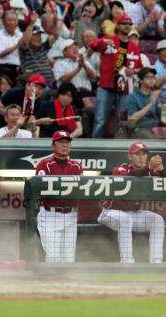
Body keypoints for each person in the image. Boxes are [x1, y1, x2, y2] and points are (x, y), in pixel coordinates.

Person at [98, 142, 165, 263]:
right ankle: (127, 261)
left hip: (133, 214)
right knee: (125, 219)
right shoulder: (120, 168)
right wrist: (149, 166)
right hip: (111, 213)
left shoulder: (149, 171)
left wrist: (162, 170)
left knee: (158, 220)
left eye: (144, 154)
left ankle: (156, 261)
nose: (141, 157)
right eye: (137, 154)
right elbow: (132, 176)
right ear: (130, 156)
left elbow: (162, 178)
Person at [88, 14, 142, 138]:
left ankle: (119, 148)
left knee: (121, 121)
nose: (128, 26)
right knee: (100, 119)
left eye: (130, 24)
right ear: (117, 25)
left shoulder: (134, 47)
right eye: (124, 23)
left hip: (124, 90)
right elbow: (91, 45)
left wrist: (133, 71)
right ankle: (95, 147)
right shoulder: (109, 40)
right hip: (106, 86)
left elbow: (140, 68)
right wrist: (102, 40)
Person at [36, 130, 84, 263]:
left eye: (68, 142)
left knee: (69, 259)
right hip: (50, 214)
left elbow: (82, 190)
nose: (65, 145)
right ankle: (51, 283)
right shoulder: (44, 165)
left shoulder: (77, 166)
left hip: (71, 215)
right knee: (53, 257)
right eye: (61, 142)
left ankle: (67, 284)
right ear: (53, 146)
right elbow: (38, 189)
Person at [126, 67, 162, 139]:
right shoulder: (132, 97)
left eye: (153, 77)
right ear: (140, 80)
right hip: (140, 128)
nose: (151, 79)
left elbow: (161, 115)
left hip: (155, 127)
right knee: (151, 138)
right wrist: (151, 104)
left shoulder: (154, 95)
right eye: (148, 77)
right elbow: (132, 119)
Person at [0, 10, 23, 81]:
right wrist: (17, 45)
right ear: (3, 22)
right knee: (6, 72)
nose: (12, 23)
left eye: (14, 20)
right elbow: (0, 54)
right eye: (9, 20)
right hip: (2, 66)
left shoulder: (20, 34)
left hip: (19, 66)